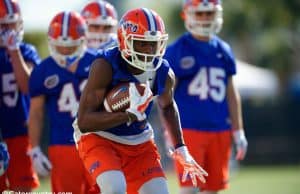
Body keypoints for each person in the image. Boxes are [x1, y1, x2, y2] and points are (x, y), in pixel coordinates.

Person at [73, 8, 208, 194]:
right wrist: (126, 115)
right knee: (115, 188)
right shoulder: (105, 65)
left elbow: (167, 106)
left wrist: (180, 147)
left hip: (139, 140)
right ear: (124, 41)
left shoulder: (164, 72)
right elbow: (85, 121)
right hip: (100, 137)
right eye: (142, 44)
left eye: (154, 44)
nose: (150, 50)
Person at [164, 1, 248, 194]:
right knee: (189, 188)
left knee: (212, 189)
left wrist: (238, 130)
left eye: (209, 13)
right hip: (188, 130)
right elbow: (165, 97)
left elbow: (231, 94)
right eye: (200, 13)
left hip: (220, 128)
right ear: (187, 14)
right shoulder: (177, 50)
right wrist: (169, 131)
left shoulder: (224, 50)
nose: (204, 18)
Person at [27, 11, 97, 194]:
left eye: (71, 46)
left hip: (98, 141)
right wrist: (34, 149)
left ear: (82, 41)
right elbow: (36, 112)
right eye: (60, 46)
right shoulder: (43, 70)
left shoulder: (99, 61)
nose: (65, 50)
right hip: (62, 144)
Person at [0, 0, 40, 191]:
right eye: (2, 25)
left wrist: (14, 51)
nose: (7, 30)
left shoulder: (25, 51)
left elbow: (28, 87)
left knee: (22, 187)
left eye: (11, 23)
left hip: (19, 132)